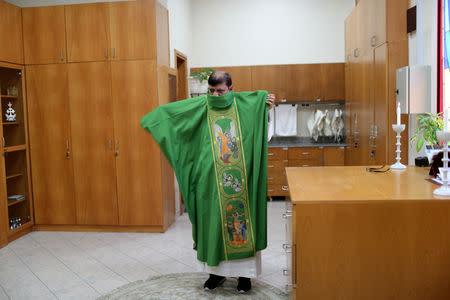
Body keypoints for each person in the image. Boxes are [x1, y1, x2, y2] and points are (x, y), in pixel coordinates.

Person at [141, 71, 275, 293]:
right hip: (210, 183)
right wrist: (156, 121)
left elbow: (259, 127)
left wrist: (265, 108)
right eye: (211, 91)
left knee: (239, 225)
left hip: (238, 183)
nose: (215, 95)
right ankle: (216, 275)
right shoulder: (201, 106)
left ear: (231, 89)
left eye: (220, 91)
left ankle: (245, 276)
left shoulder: (244, 105)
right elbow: (174, 118)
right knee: (213, 225)